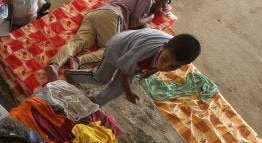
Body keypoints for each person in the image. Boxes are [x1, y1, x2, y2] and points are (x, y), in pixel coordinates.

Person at [55, 29, 201, 105]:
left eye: (173, 67)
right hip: (118, 48)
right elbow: (125, 75)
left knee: (117, 89)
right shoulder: (144, 53)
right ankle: (70, 74)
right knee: (101, 78)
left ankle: (94, 101)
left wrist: (148, 73)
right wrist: (129, 93)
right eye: (165, 60)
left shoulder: (170, 51)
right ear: (163, 48)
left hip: (134, 50)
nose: (165, 67)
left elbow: (159, 64)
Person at [46, 0, 171, 79]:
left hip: (95, 15)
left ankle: (55, 64)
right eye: (163, 5)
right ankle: (78, 61)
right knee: (112, 51)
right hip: (112, 16)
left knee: (77, 43)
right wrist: (151, 16)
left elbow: (141, 29)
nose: (161, 10)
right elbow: (135, 23)